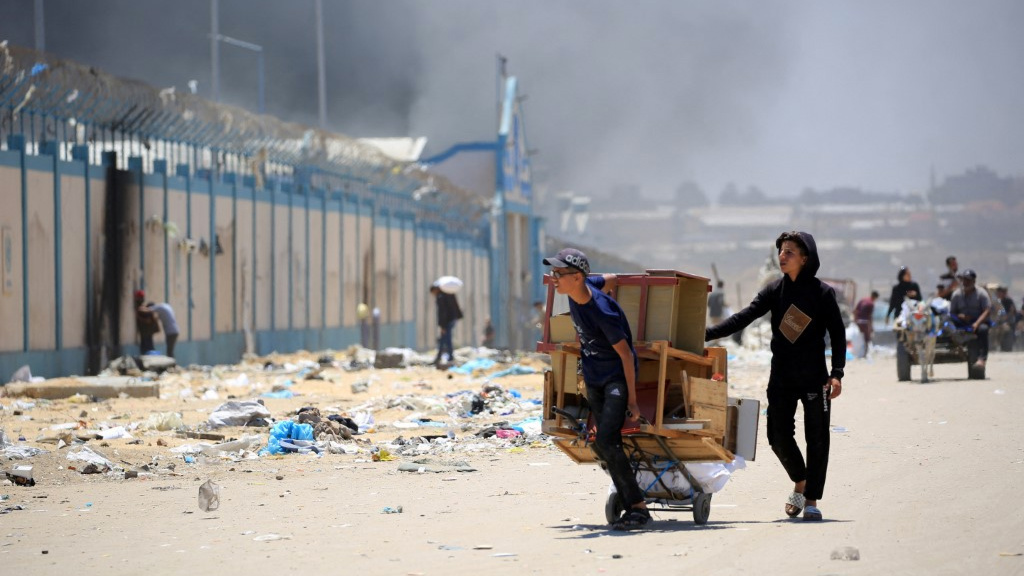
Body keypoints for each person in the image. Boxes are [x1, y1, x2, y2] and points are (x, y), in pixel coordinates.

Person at [704, 231, 845, 522]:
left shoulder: (822, 293)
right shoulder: (774, 290)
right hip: (781, 375)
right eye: (781, 251)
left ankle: (811, 499)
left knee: (817, 439)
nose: (782, 256)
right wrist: (705, 334)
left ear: (805, 259)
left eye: (790, 252)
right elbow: (744, 317)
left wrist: (837, 374)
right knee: (777, 436)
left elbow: (838, 335)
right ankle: (801, 480)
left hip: (814, 377)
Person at [542, 247, 650, 530]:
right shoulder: (585, 286)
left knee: (605, 441)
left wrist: (634, 401)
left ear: (576, 277)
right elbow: (610, 278)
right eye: (553, 272)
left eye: (559, 273)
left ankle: (638, 508)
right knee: (604, 443)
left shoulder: (601, 311)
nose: (553, 278)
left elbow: (626, 355)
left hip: (615, 379)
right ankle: (632, 503)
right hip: (593, 379)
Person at [949, 269, 990, 369]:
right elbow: (951, 313)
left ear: (974, 281)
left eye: (968, 280)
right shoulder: (957, 295)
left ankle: (982, 359)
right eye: (964, 280)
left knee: (983, 330)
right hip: (961, 323)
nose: (965, 283)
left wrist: (976, 323)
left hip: (977, 322)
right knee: (946, 323)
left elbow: (987, 310)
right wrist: (960, 316)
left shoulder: (981, 293)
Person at [430, 282, 463, 367]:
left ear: (435, 290)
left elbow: (442, 313)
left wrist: (442, 326)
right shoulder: (449, 294)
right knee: (444, 339)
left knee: (446, 339)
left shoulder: (441, 297)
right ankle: (440, 357)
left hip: (447, 321)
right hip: (453, 319)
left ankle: (448, 358)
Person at [853, 291, 879, 358]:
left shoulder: (863, 300)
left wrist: (855, 320)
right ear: (875, 297)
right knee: (866, 338)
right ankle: (865, 354)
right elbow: (870, 316)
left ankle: (859, 352)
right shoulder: (871, 304)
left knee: (860, 337)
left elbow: (855, 310)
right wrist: (871, 327)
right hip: (865, 322)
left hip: (858, 321)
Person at [134, 290, 160, 354]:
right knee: (147, 347)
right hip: (145, 331)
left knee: (148, 347)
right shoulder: (141, 308)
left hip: (146, 332)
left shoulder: (143, 308)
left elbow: (149, 319)